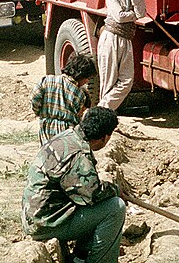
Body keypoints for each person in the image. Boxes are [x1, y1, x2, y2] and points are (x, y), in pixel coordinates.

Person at [21, 106, 125, 263]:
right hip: (45, 224)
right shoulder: (79, 155)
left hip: (35, 216)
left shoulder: (69, 136)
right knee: (115, 207)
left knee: (93, 203)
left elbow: (83, 188)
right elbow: (93, 195)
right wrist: (115, 190)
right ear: (104, 137)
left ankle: (79, 258)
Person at [98, 0, 140, 110]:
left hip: (127, 39)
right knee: (108, 80)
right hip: (111, 38)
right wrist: (134, 14)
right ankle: (104, 114)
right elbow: (119, 17)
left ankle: (102, 109)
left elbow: (142, 13)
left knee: (127, 81)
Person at [31, 53, 96, 144]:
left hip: (46, 128)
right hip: (67, 132)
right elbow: (77, 115)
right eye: (87, 78)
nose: (87, 82)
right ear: (80, 75)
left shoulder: (46, 81)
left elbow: (35, 98)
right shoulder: (79, 94)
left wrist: (40, 113)